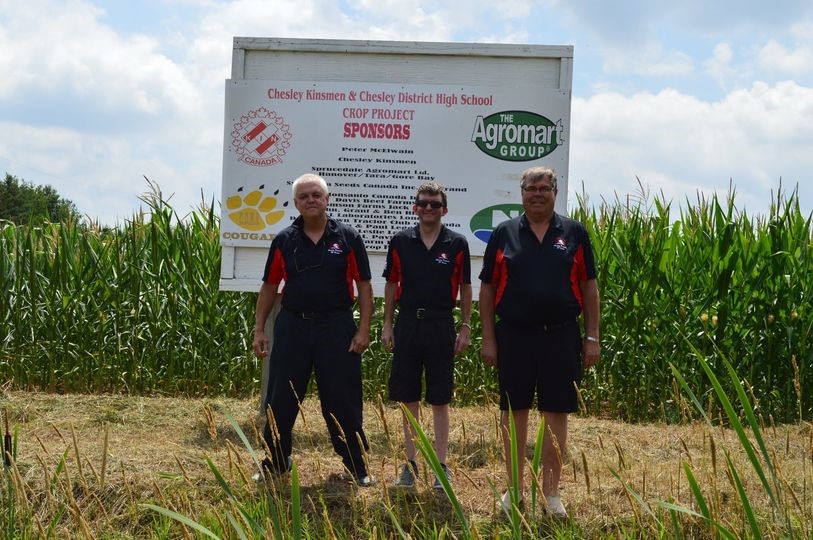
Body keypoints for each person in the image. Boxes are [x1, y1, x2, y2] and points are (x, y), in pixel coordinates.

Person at [479, 166, 600, 517]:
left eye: (544, 188)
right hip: (513, 336)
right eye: (531, 188)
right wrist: (488, 337)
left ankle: (551, 495)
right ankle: (514, 490)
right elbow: (487, 288)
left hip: (561, 335)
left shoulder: (574, 232)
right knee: (513, 412)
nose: (537, 193)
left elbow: (589, 287)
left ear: (555, 192)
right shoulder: (504, 233)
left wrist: (592, 336)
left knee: (556, 413)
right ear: (521, 193)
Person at [252, 173, 374, 486]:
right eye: (304, 196)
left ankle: (356, 467)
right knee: (281, 398)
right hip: (293, 325)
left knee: (341, 399)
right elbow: (268, 287)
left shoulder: (347, 237)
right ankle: (276, 463)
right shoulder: (284, 241)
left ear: (327, 199)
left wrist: (363, 330)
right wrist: (259, 329)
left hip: (336, 326)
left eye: (316, 195)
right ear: (296, 203)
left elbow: (363, 286)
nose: (311, 200)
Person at [381, 181, 472, 489]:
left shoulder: (457, 243)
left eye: (435, 204)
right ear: (415, 207)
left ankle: (441, 465)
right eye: (424, 203)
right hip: (407, 323)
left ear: (444, 209)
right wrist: (387, 324)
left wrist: (466, 327)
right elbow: (392, 284)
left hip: (441, 324)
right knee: (408, 398)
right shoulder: (400, 241)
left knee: (439, 397)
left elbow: (465, 288)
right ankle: (410, 465)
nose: (429, 208)